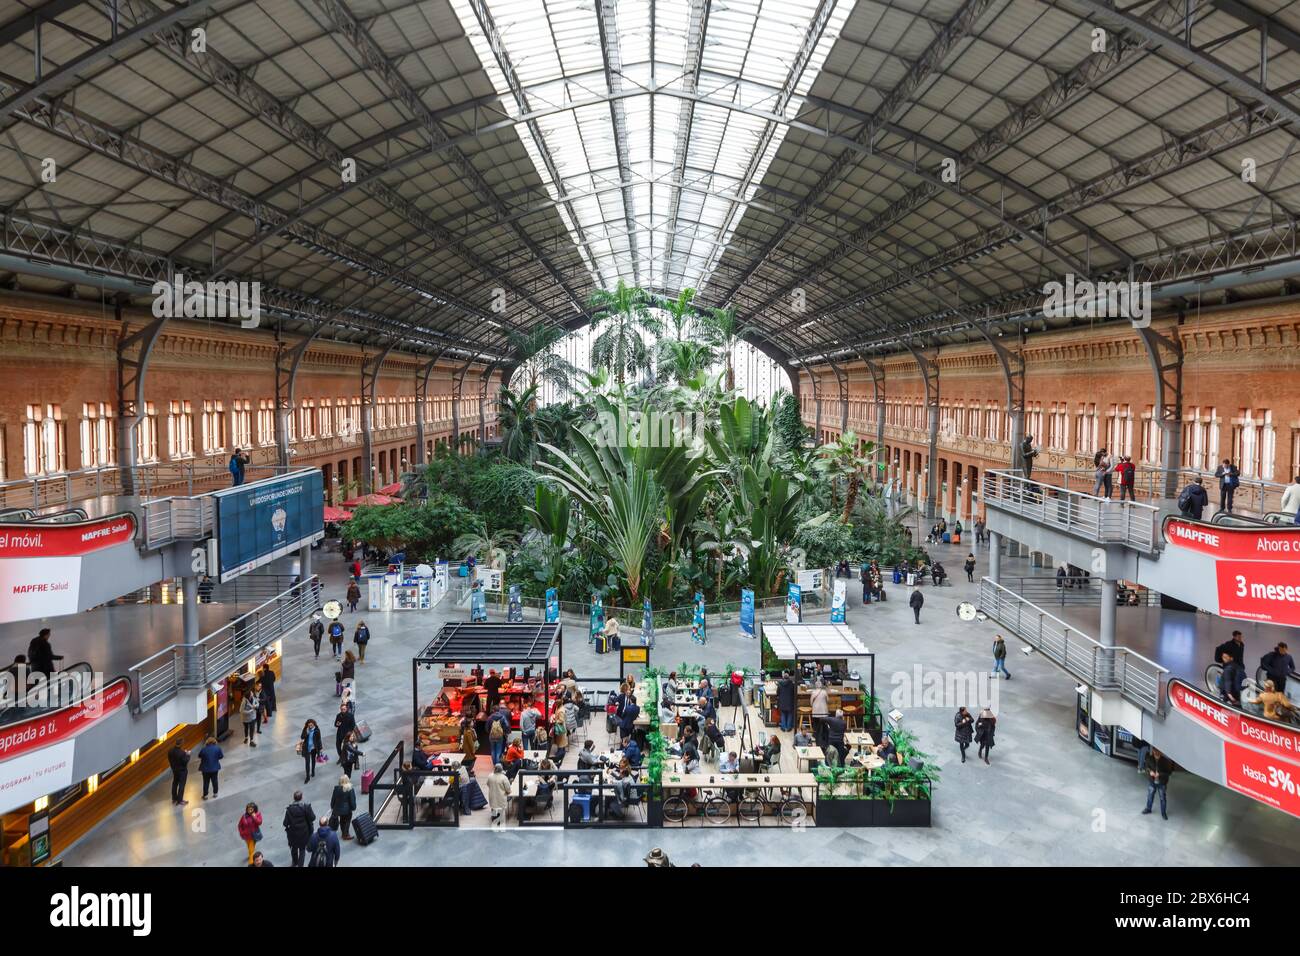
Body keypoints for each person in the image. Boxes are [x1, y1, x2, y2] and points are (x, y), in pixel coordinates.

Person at [283, 791, 315, 867]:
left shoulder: (289, 809)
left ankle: (295, 862)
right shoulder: (306, 807)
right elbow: (313, 817)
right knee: (302, 850)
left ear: (294, 798)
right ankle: (300, 865)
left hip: (293, 833)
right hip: (304, 832)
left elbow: (285, 823)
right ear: (301, 797)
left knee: (293, 848)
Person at [1141, 747, 1174, 820]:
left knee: (1162, 798)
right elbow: (1146, 767)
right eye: (1155, 751)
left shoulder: (1166, 761)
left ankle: (1163, 813)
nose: (1156, 752)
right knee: (1150, 795)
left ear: (1161, 752)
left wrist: (1160, 774)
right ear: (1153, 751)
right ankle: (1148, 809)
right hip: (1152, 782)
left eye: (1158, 751)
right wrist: (1150, 772)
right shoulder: (1149, 758)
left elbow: (1169, 773)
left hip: (1162, 783)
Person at [331, 774, 357, 840]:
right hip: (347, 810)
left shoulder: (336, 789)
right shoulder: (350, 789)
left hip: (338, 809)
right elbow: (352, 800)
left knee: (342, 820)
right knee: (347, 820)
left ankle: (343, 833)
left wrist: (332, 806)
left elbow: (333, 799)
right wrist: (353, 807)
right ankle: (345, 834)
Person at [167, 739, 191, 806]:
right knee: (181, 785)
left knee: (175, 783)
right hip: (182, 771)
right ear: (181, 744)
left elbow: (169, 759)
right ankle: (180, 800)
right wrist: (188, 755)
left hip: (174, 770)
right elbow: (185, 761)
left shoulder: (170, 751)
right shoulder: (182, 753)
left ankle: (174, 798)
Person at [300, 719, 323, 784]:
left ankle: (313, 771)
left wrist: (320, 748)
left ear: (314, 724)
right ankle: (307, 777)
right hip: (307, 749)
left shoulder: (317, 730)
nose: (310, 726)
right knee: (307, 762)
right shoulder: (305, 729)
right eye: (309, 725)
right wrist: (306, 732)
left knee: (313, 760)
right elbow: (302, 737)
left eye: (311, 725)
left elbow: (319, 740)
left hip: (314, 748)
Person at [810, 679, 830, 749]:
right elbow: (828, 700)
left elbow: (811, 702)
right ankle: (823, 735)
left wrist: (813, 706)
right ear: (821, 686)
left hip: (816, 710)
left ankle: (816, 734)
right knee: (824, 724)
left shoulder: (813, 692)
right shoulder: (824, 692)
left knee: (816, 723)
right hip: (823, 711)